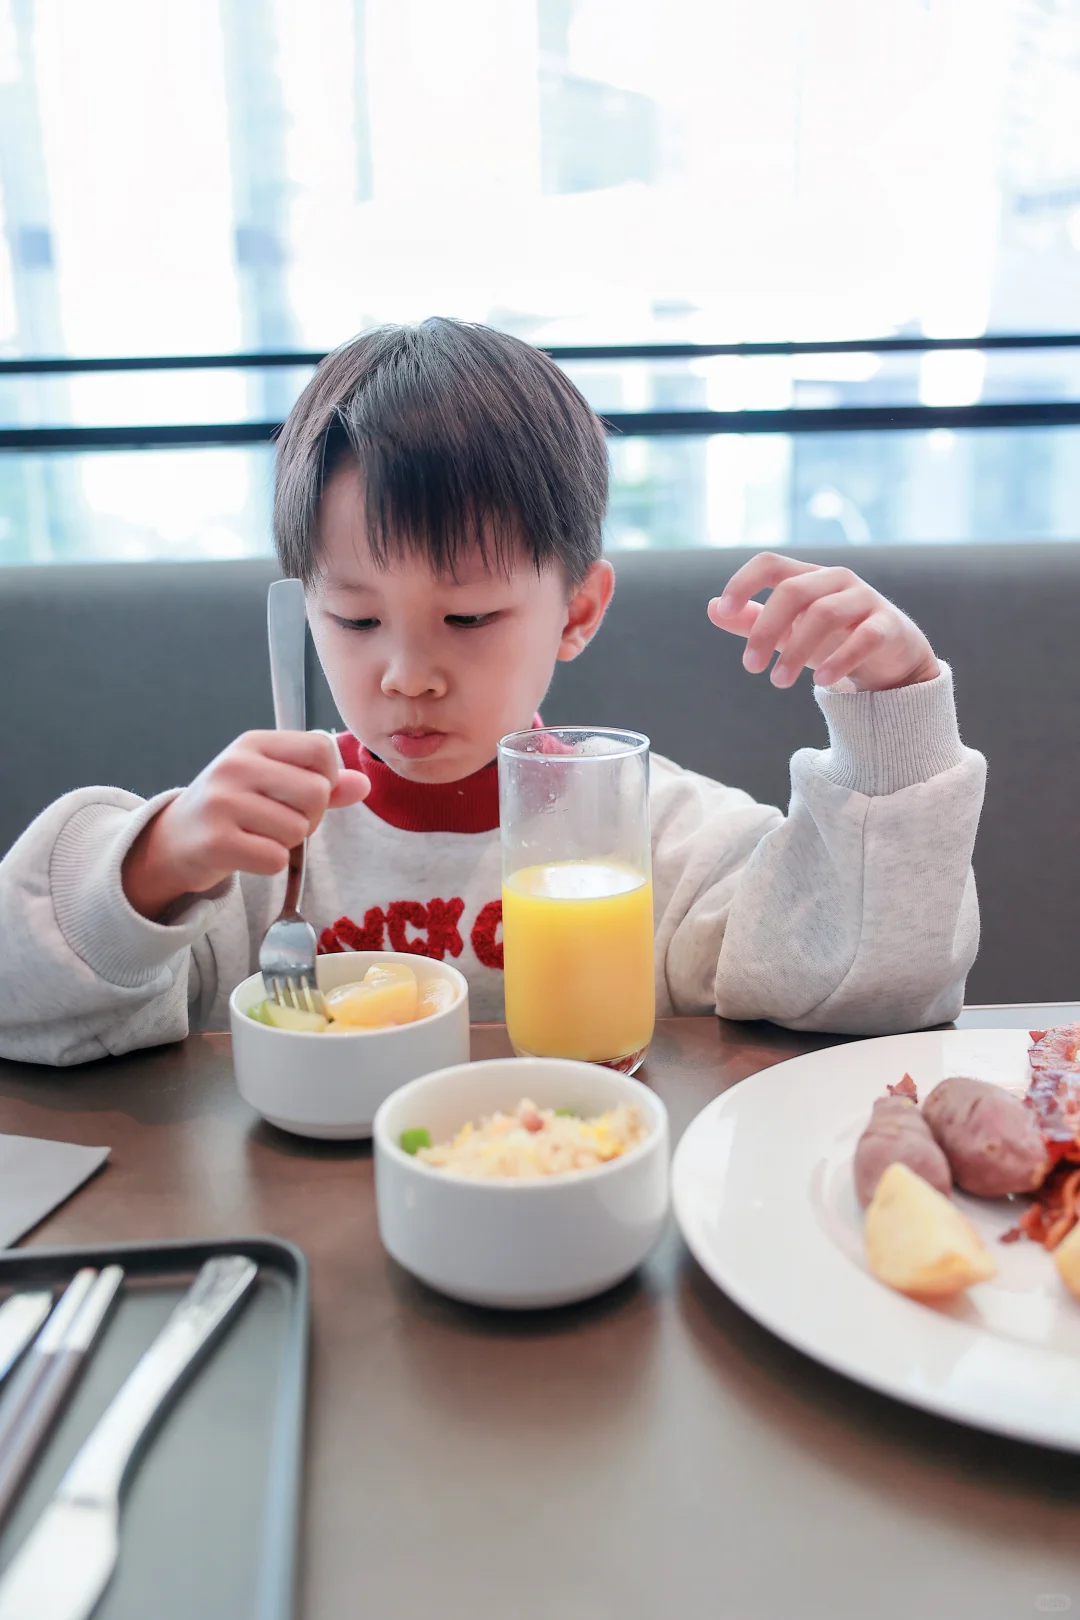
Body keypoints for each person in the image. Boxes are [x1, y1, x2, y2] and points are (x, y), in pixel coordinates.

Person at [0, 319, 984, 1066]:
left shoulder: (660, 842)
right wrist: (150, 867)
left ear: (577, 611)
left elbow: (870, 988)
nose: (407, 675)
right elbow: (25, 1006)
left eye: (467, 620)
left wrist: (891, 720)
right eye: (353, 620)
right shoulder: (256, 855)